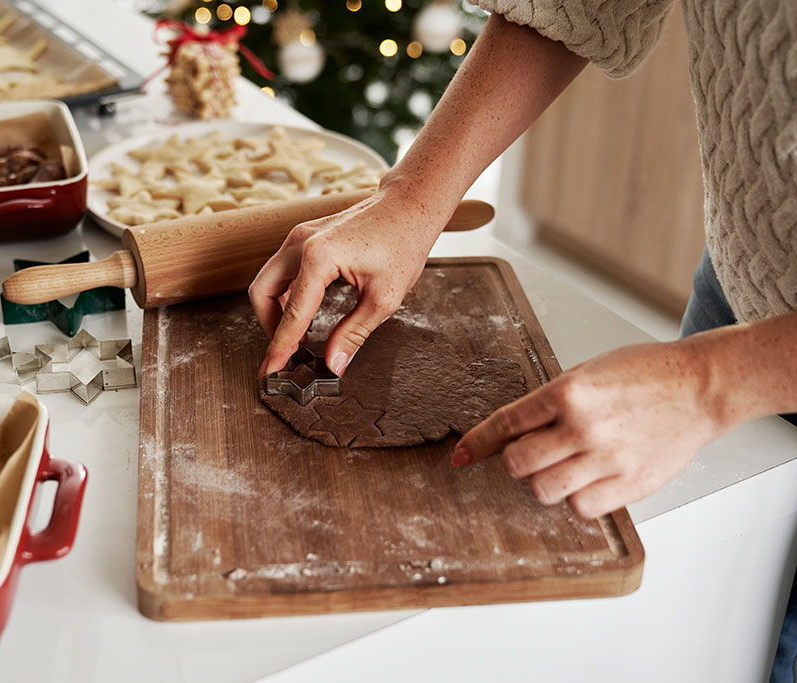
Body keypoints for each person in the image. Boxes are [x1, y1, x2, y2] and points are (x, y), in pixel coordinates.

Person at [248, 1, 797, 679]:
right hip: (749, 286)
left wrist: (711, 383)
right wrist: (414, 196)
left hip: (742, 360)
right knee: (689, 618)